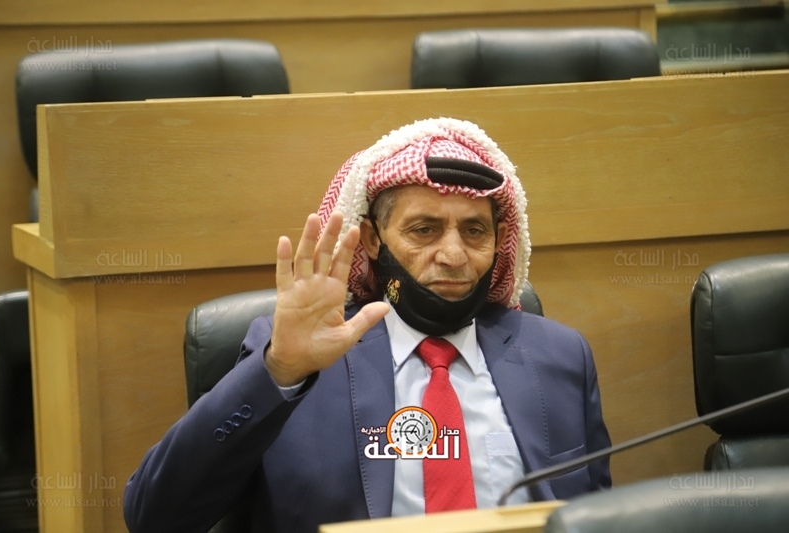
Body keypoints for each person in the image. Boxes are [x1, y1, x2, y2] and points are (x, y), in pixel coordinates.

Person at [123, 118, 611, 533]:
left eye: (474, 231)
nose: (453, 254)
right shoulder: (298, 361)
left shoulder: (560, 356)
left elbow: (597, 515)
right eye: (424, 230)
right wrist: (278, 371)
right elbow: (155, 517)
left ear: (499, 240)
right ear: (373, 242)